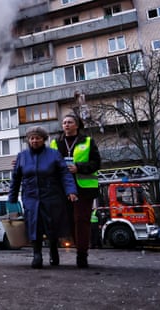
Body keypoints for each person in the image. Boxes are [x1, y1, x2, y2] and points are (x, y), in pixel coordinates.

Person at [8, 126, 78, 269]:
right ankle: (37, 254)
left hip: (51, 196)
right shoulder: (22, 156)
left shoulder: (53, 154)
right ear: (28, 140)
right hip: (31, 197)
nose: (34, 141)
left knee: (52, 225)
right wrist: (12, 197)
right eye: (32, 138)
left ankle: (53, 249)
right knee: (35, 225)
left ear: (44, 140)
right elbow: (15, 178)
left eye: (38, 138)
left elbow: (65, 174)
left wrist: (71, 190)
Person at [50, 114, 101, 268]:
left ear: (77, 125)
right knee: (68, 221)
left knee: (81, 220)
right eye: (64, 122)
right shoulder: (55, 143)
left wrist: (79, 167)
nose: (66, 125)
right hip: (62, 187)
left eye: (70, 122)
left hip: (84, 188)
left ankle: (82, 256)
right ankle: (58, 253)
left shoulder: (87, 141)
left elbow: (96, 163)